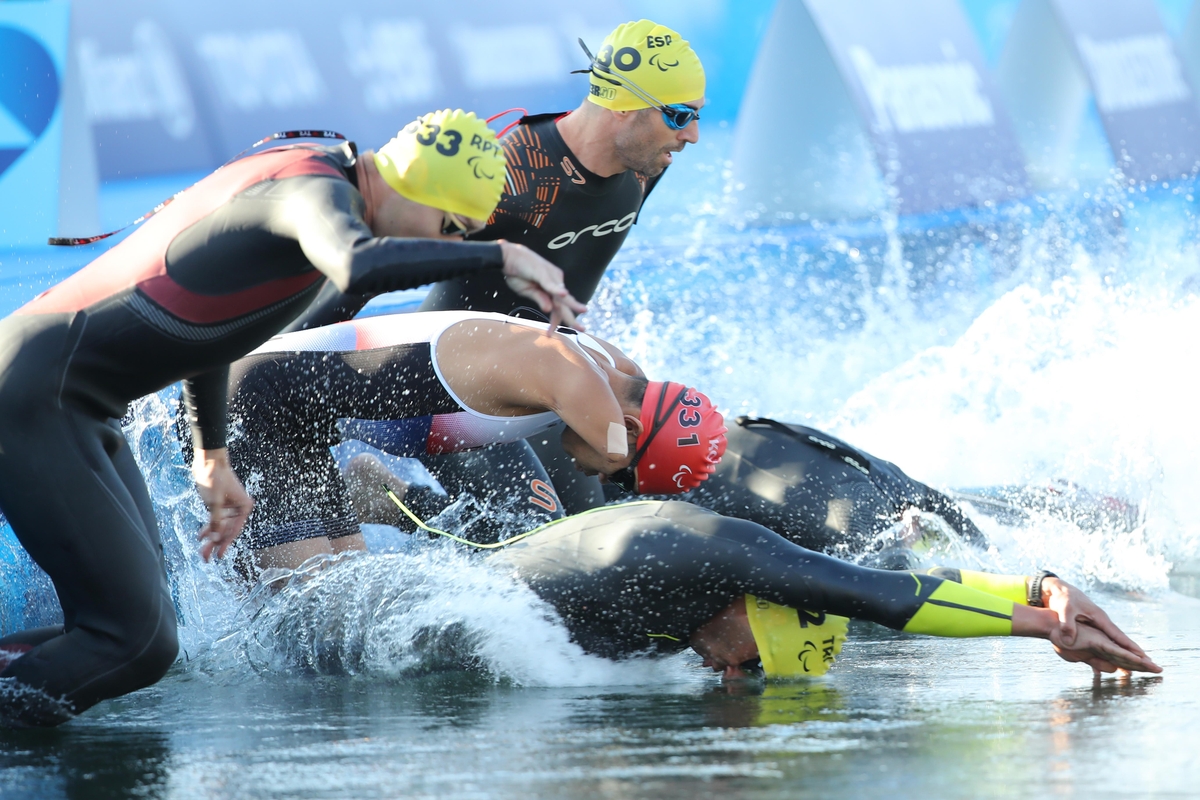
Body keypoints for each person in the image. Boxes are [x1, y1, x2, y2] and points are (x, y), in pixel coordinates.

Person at [0, 108, 585, 727]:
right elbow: (358, 263)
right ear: (407, 182)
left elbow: (210, 327)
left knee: (144, 632)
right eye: (447, 226)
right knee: (132, 643)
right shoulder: (313, 193)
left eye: (460, 238)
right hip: (41, 391)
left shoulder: (316, 186)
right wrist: (498, 257)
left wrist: (211, 453)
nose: (445, 246)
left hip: (79, 402)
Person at [285, 19, 706, 513]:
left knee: (617, 516)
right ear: (623, 107)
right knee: (545, 534)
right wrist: (277, 362)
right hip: (448, 392)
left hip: (542, 390)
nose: (693, 135)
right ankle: (395, 499)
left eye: (697, 115)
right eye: (679, 116)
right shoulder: (509, 174)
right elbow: (371, 270)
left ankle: (392, 497)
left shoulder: (643, 168)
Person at [213, 310, 727, 574]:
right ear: (629, 432)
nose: (602, 477)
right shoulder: (573, 376)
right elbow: (621, 434)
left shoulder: (619, 371)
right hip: (255, 402)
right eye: (619, 475)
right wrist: (624, 454)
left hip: (309, 423)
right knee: (306, 619)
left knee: (343, 598)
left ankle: (377, 493)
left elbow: (649, 408)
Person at [486, 501, 1162, 678]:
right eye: (752, 667)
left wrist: (1037, 585)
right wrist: (1050, 623)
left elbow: (897, 585)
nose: (728, 675)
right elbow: (887, 598)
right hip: (458, 594)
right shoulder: (709, 559)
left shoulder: (716, 600)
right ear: (756, 603)